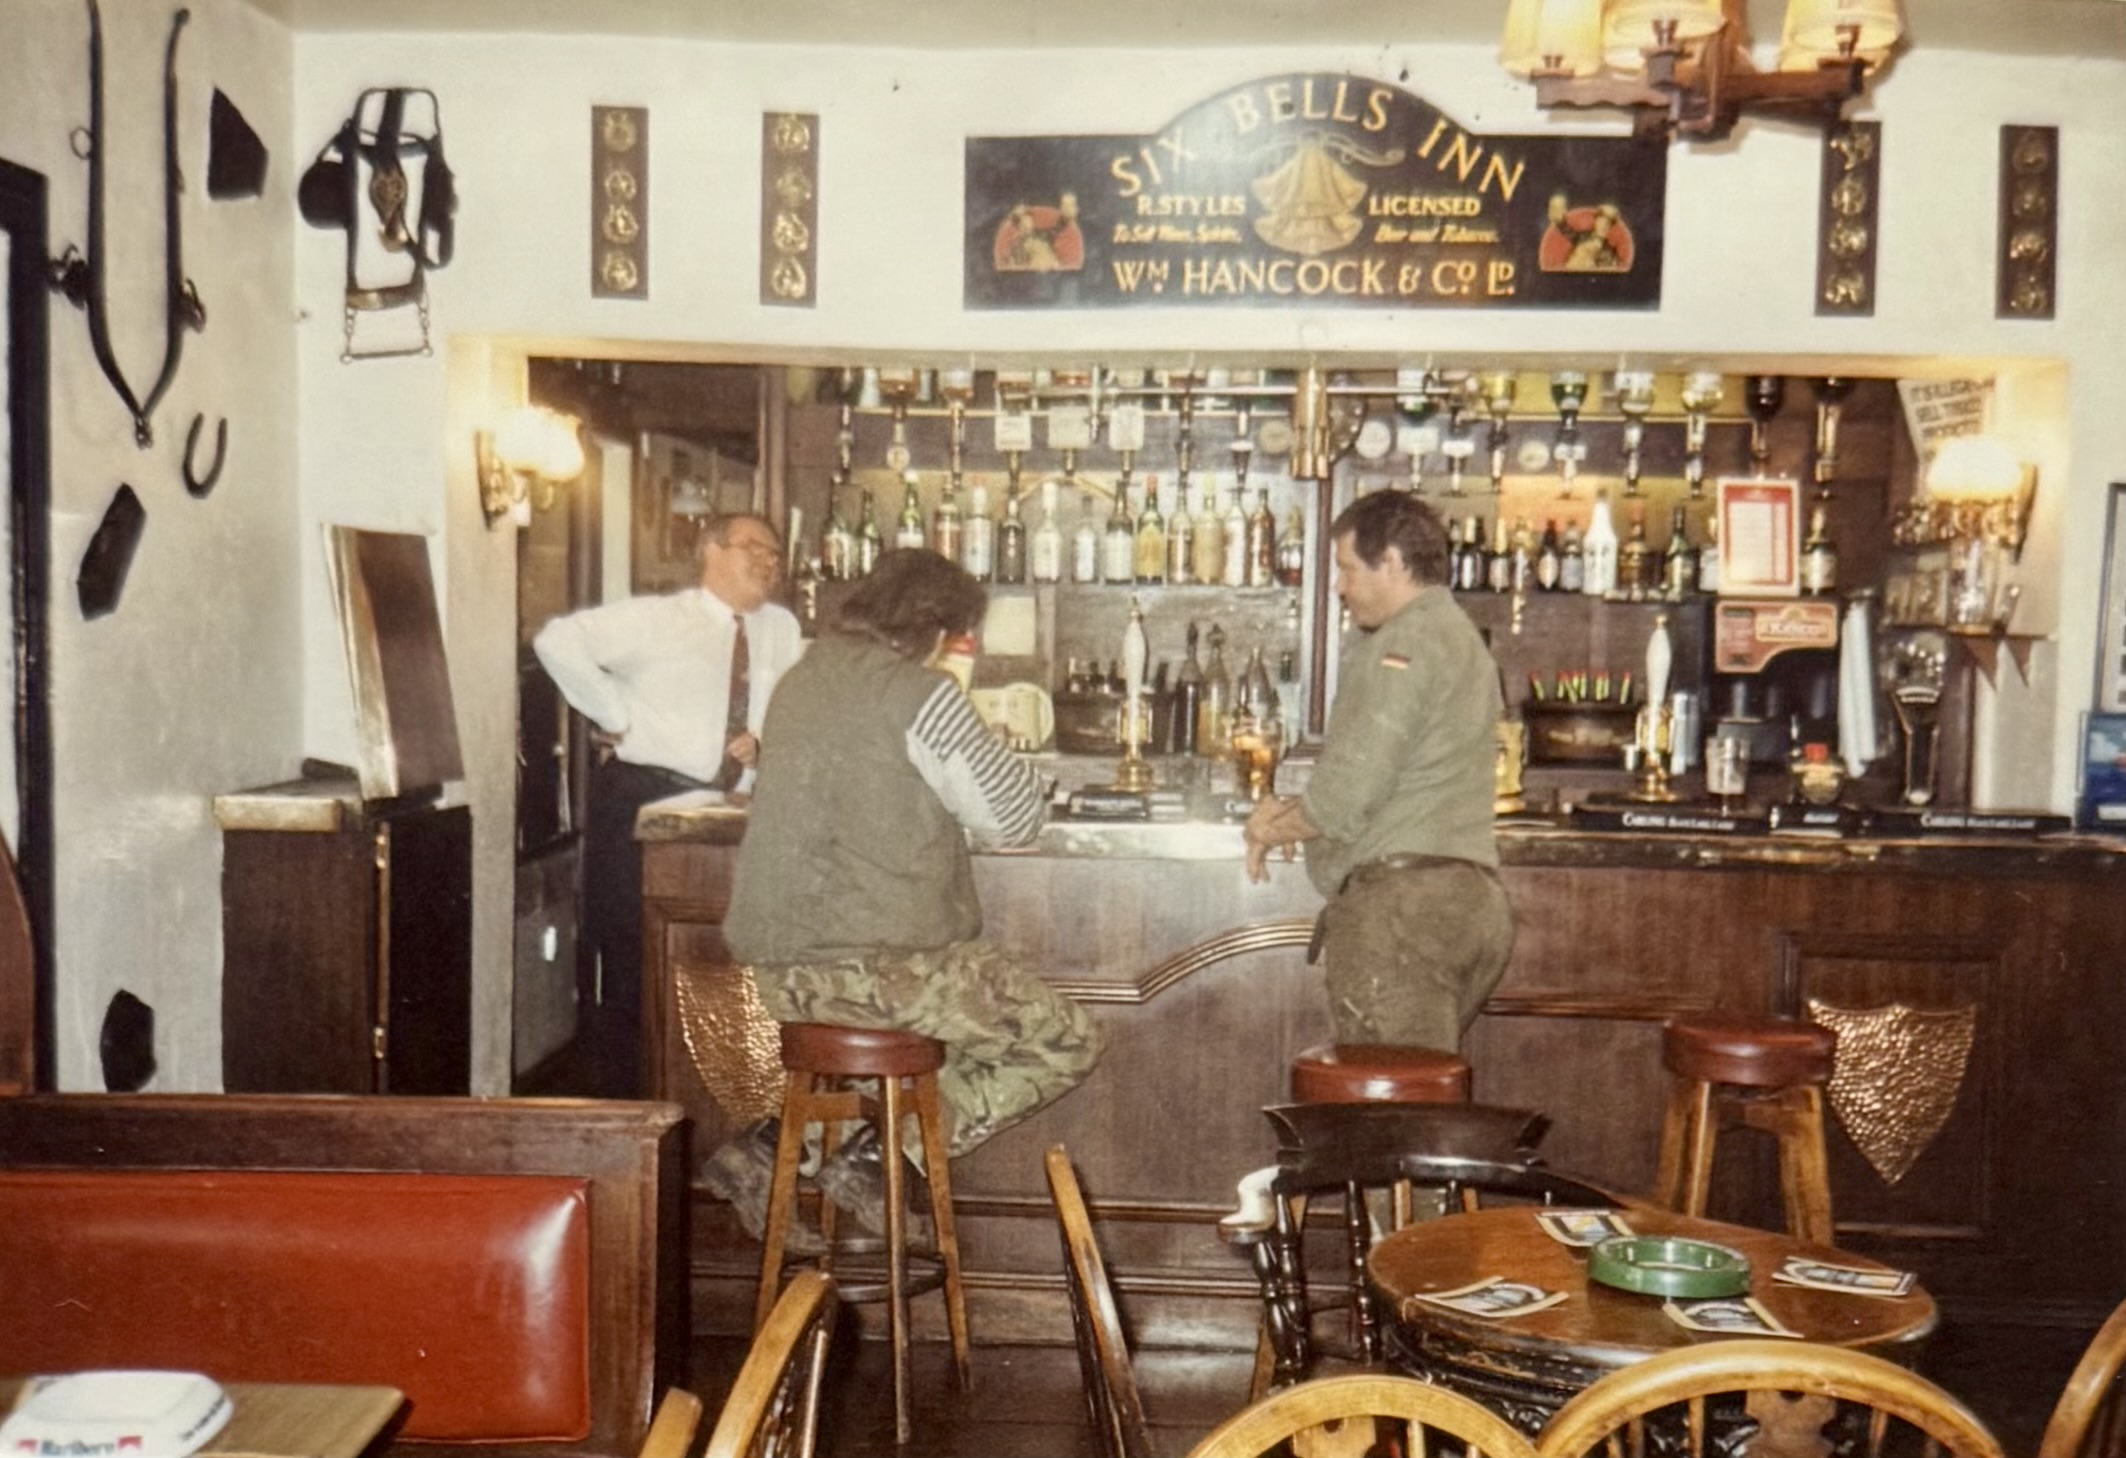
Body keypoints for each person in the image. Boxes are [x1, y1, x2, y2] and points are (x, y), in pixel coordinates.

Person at [708, 549, 1102, 1237]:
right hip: (881, 974)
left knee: (902, 1055)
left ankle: (771, 1148)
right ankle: (884, 1157)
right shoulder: (921, 695)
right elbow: (1012, 817)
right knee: (1063, 1040)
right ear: (933, 628)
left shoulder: (802, 681)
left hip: (782, 978)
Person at [533, 511, 803, 1095]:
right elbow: (556, 641)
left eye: (775, 554)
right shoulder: (660, 620)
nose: (767, 561)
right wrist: (614, 713)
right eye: (752, 546)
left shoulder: (780, 628)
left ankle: (703, 1102)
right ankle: (626, 1107)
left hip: (731, 809)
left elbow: (790, 704)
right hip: (644, 798)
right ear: (710, 550)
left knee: (716, 962)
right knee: (631, 956)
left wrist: (764, 744)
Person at [1242, 490, 1514, 1052]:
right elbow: (1395, 775)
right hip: (1470, 903)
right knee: (1413, 1093)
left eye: (1346, 569)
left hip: (1403, 915)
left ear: (1390, 560)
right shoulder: (1460, 638)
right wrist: (1297, 816)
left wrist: (1271, 827)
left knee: (1394, 1117)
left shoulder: (1404, 642)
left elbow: (1349, 791)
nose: (1340, 588)